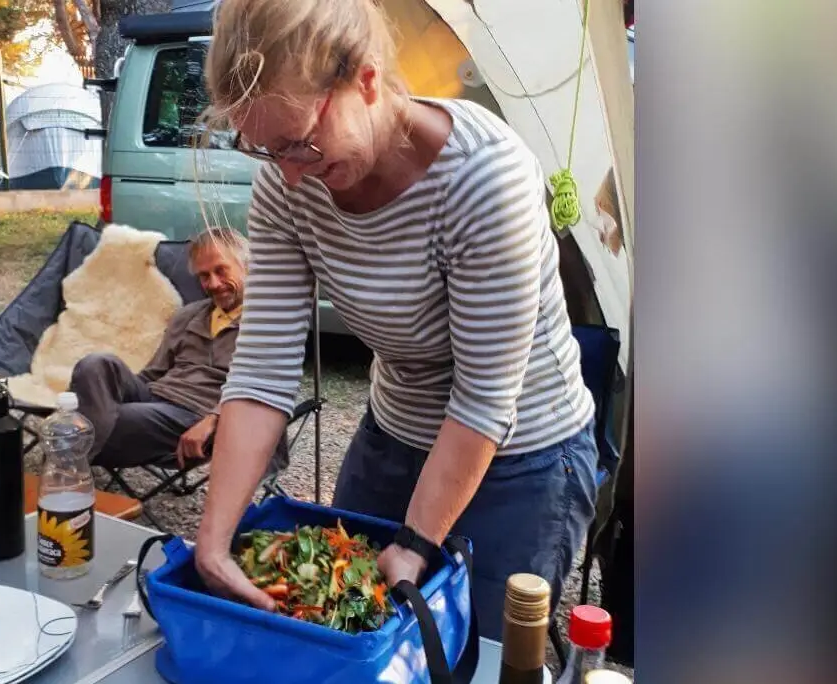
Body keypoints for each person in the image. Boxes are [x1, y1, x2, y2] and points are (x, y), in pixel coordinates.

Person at [191, 0, 600, 639]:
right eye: (267, 151)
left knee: (475, 652)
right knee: (342, 628)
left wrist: (415, 541)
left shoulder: (484, 179)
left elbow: (486, 399)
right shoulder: (286, 187)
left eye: (300, 143)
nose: (292, 177)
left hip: (522, 458)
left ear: (367, 79)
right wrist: (212, 544)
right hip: (394, 433)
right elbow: (263, 368)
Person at [69, 227, 249, 470]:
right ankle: (74, 454)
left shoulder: (262, 323)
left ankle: (67, 468)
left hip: (198, 413)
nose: (214, 284)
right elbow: (153, 374)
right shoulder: (189, 315)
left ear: (246, 267)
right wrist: (107, 391)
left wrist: (213, 419)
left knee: (110, 420)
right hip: (157, 397)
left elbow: (259, 390)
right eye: (204, 276)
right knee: (96, 364)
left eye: (221, 270)